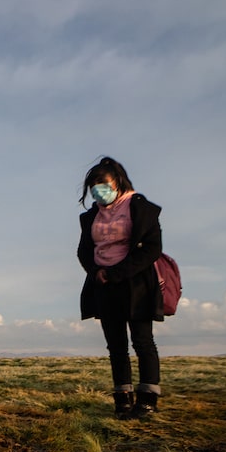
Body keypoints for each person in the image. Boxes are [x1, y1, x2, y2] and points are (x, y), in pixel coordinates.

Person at [77, 156, 164, 419]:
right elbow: (83, 251)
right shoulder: (91, 216)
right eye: (93, 185)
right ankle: (122, 400)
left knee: (142, 341)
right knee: (115, 345)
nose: (97, 189)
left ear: (118, 182)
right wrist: (97, 273)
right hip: (103, 285)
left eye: (103, 183)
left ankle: (147, 400)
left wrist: (118, 273)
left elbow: (152, 248)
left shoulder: (141, 208)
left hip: (136, 283)